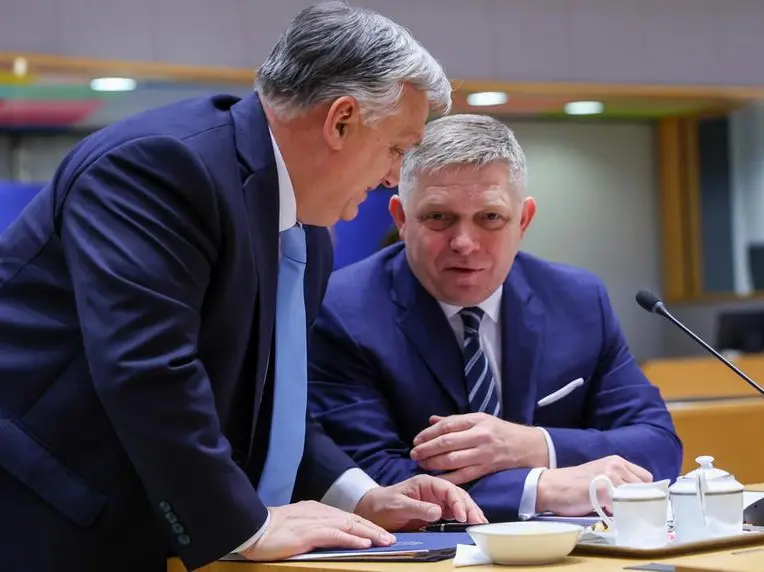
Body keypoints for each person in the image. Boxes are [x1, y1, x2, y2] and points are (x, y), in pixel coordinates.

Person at [0, 4, 487, 571]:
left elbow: (274, 405)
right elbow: (148, 369)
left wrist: (359, 497)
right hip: (48, 515)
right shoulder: (161, 166)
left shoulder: (306, 227)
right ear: (341, 120)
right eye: (398, 149)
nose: (391, 177)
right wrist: (244, 525)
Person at [308, 113, 684, 523]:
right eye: (439, 217)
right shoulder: (341, 309)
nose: (464, 243)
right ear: (401, 219)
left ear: (523, 220)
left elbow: (658, 445)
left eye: (489, 218)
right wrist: (540, 488)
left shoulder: (577, 300)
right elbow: (373, 478)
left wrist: (534, 446)